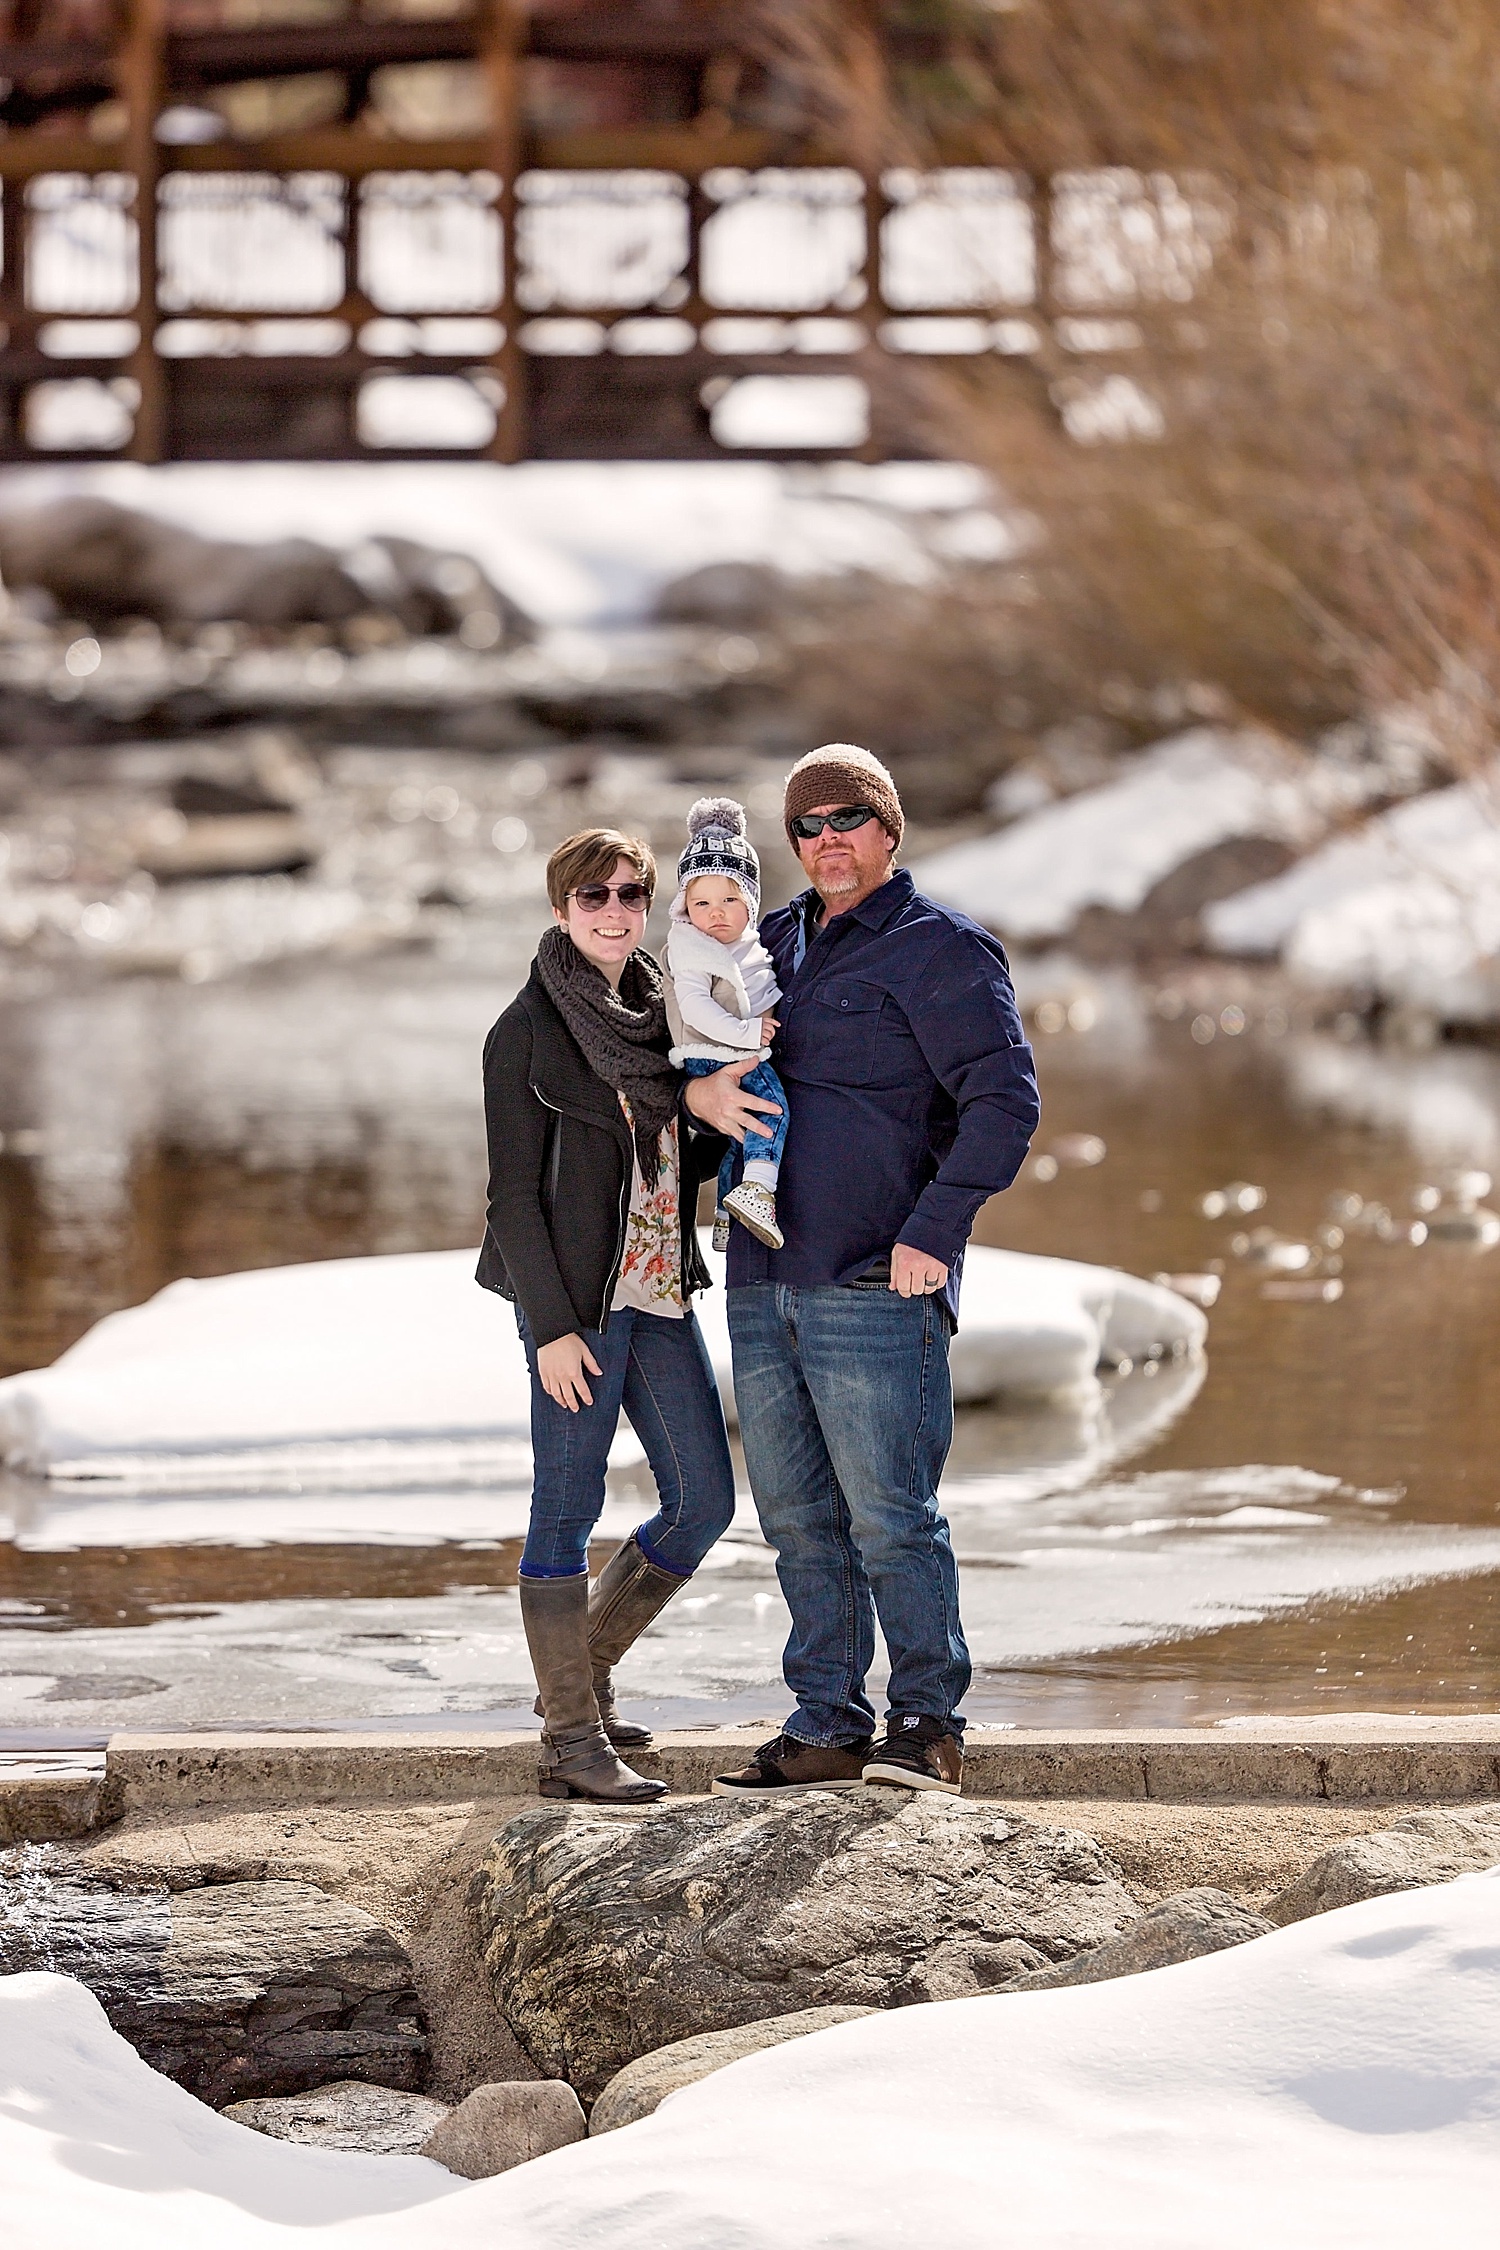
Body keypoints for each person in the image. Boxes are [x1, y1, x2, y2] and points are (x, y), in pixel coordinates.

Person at [685, 743, 1041, 1799]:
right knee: (796, 1518)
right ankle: (828, 1722)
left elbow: (1003, 1105)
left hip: (877, 1278)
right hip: (761, 1271)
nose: (827, 840)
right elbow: (706, 1064)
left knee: (892, 1515)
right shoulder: (765, 942)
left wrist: (934, 1232)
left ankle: (927, 1724)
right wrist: (701, 1105)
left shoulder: (945, 951)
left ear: (888, 829)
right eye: (806, 826)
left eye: (847, 819)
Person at [476, 827, 736, 1803]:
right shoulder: (524, 1033)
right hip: (577, 1309)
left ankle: (576, 1684)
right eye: (594, 897)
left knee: (705, 1501)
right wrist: (549, 1330)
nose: (615, 910)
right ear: (561, 910)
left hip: (661, 1293)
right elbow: (511, 1199)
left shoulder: (663, 1009)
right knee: (565, 1511)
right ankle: (571, 1744)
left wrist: (717, 1119)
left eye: (631, 893)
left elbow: (677, 1162)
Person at [664, 796, 789, 1252]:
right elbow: (694, 1007)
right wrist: (747, 1035)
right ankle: (758, 1191)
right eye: (702, 902)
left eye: (730, 899)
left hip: (729, 1049)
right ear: (685, 906)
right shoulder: (693, 947)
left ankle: (724, 1214)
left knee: (738, 1132)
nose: (715, 912)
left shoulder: (745, 944)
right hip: (713, 1052)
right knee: (772, 1111)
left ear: (751, 902)